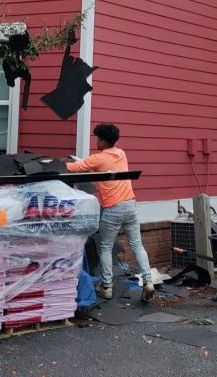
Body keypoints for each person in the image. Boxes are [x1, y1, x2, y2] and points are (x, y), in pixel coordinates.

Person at [65, 123, 155, 301]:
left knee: (105, 247)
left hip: (113, 208)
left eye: (97, 138)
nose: (96, 141)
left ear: (104, 141)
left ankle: (107, 287)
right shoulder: (121, 154)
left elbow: (75, 168)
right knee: (137, 245)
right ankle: (148, 282)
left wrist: (56, 164)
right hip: (130, 205)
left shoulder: (98, 158)